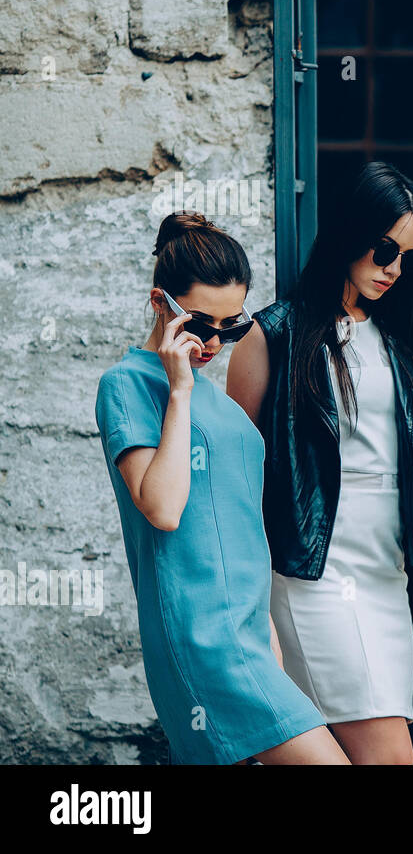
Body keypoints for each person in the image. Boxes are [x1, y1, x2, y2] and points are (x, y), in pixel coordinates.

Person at [226, 162, 413, 765]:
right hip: (313, 575)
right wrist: (244, 601)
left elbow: (401, 456)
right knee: (391, 758)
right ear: (350, 233)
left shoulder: (391, 341)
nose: (393, 269)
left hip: (385, 578)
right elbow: (235, 471)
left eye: (407, 257)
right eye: (383, 250)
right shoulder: (274, 335)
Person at [94, 210, 348, 764]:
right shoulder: (127, 385)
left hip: (251, 634)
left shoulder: (224, 407)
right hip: (202, 636)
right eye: (202, 324)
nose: (214, 342)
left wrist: (273, 643)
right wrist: (179, 390)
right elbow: (162, 507)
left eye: (230, 326)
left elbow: (242, 527)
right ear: (162, 303)